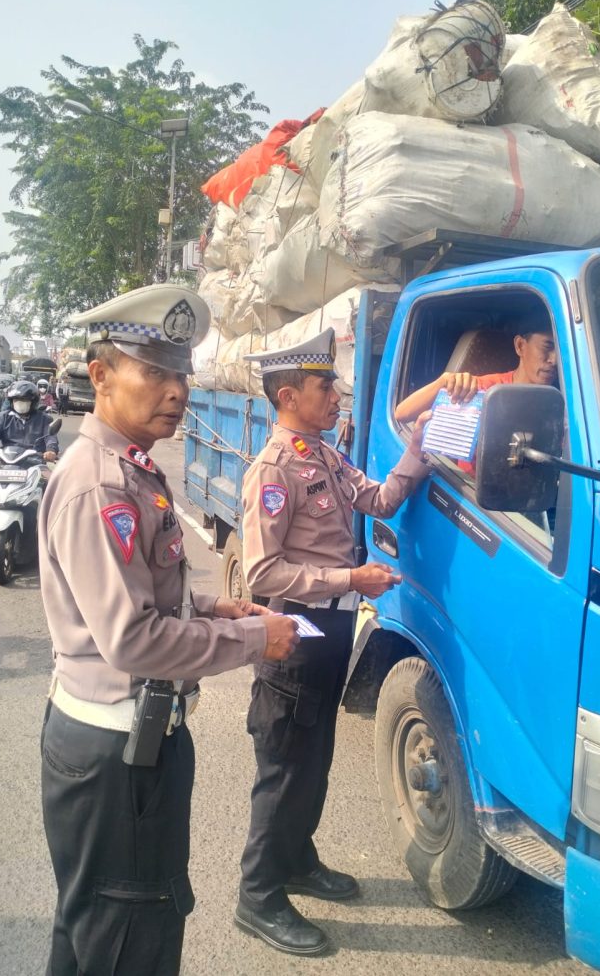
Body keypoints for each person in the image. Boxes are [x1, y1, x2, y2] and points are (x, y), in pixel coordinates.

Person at [38, 284, 300, 976]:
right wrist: (256, 641)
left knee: (95, 932)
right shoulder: (102, 484)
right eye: (154, 371)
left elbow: (145, 593)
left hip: (127, 744)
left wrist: (216, 610)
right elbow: (132, 639)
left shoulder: (133, 468)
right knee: (128, 937)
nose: (178, 390)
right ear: (100, 375)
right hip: (117, 754)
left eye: (181, 372)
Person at [234, 328, 431, 956]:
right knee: (285, 767)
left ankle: (297, 859)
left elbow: (380, 499)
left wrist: (421, 447)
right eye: (325, 386)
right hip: (297, 632)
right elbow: (263, 574)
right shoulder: (274, 470)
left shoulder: (324, 455)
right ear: (288, 396)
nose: (337, 396)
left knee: (314, 758)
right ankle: (258, 896)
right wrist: (351, 578)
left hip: (332, 630)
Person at [394, 315, 557, 424]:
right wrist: (444, 381)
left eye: (562, 350)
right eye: (547, 347)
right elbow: (402, 414)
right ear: (520, 345)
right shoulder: (483, 390)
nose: (555, 360)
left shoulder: (562, 404)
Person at [0, 379, 59, 544]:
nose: (20, 403)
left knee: (54, 484)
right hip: (5, 462)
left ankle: (51, 531)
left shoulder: (44, 419)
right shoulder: (4, 417)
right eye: (16, 400)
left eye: (24, 400)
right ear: (11, 401)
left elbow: (51, 438)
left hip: (34, 463)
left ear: (33, 402)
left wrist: (51, 451)